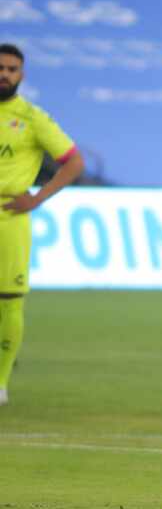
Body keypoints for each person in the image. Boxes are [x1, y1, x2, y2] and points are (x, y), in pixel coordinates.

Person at [0, 43, 84, 406]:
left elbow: (73, 161)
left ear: (21, 75)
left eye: (12, 69)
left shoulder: (31, 118)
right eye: (0, 68)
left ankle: (0, 383)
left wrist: (35, 199)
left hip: (9, 220)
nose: (4, 74)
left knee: (9, 303)